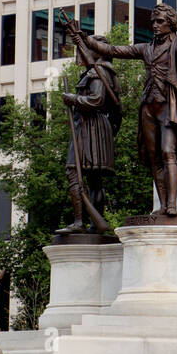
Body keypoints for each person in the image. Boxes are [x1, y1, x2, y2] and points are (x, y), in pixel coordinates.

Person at [74, 4, 177, 218]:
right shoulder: (146, 48)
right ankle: (163, 205)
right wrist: (86, 39)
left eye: (160, 22)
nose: (155, 25)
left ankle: (173, 205)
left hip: (168, 106)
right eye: (153, 22)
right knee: (154, 157)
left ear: (171, 23)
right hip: (148, 106)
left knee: (168, 152)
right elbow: (113, 50)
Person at [57, 33, 122, 233]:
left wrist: (73, 99)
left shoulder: (98, 72)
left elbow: (96, 100)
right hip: (96, 128)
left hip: (90, 127)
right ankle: (95, 223)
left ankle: (79, 222)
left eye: (89, 47)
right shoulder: (102, 72)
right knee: (95, 179)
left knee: (73, 172)